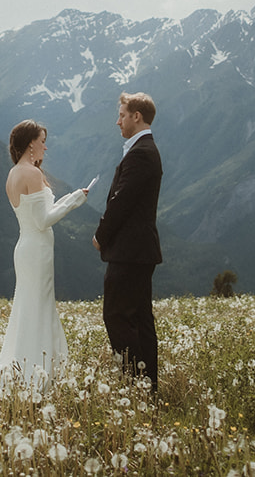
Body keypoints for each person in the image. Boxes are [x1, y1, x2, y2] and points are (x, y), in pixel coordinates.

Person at [0, 120, 90, 386]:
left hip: (26, 247)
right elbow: (43, 220)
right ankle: (39, 372)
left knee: (28, 307)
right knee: (39, 307)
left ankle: (25, 365)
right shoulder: (31, 173)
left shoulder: (14, 173)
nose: (45, 146)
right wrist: (75, 201)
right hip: (38, 250)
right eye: (42, 141)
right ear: (31, 143)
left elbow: (37, 216)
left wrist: (71, 198)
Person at [93, 91, 162, 390]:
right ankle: (148, 385)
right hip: (139, 251)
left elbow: (121, 201)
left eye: (121, 114)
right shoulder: (143, 150)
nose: (117, 120)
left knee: (116, 316)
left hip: (130, 251)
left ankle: (135, 382)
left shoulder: (141, 153)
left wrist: (100, 235)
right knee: (140, 318)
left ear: (137, 116)